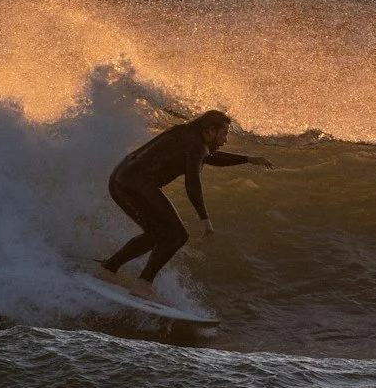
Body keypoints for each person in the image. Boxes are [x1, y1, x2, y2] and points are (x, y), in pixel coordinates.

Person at [97, 110, 270, 292]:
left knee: (155, 234)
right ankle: (142, 285)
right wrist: (204, 218)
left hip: (120, 179)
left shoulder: (185, 134)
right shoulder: (197, 145)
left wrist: (248, 159)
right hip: (137, 184)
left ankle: (108, 269)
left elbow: (207, 157)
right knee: (177, 236)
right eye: (224, 134)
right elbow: (192, 182)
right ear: (209, 131)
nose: (225, 140)